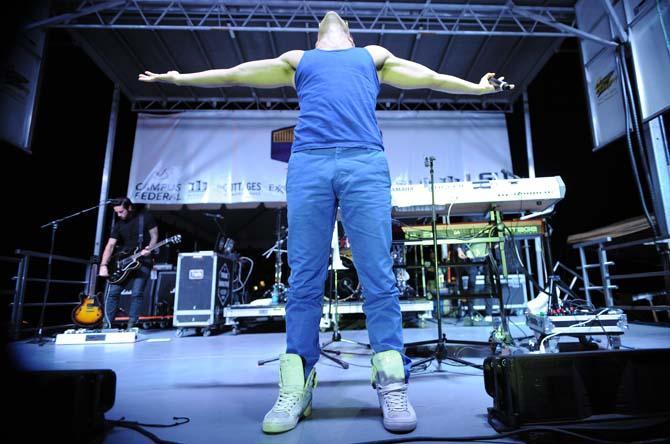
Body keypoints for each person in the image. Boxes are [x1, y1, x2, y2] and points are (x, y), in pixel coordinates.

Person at [138, 11, 512, 434]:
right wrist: (180, 78)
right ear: (320, 33)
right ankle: (297, 382)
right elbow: (235, 73)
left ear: (349, 32)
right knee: (304, 278)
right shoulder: (298, 59)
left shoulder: (373, 56)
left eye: (339, 17)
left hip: (363, 162)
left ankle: (391, 379)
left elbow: (430, 78)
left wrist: (475, 87)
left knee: (378, 275)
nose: (331, 14)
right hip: (309, 163)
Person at [98, 197, 158, 329]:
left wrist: (150, 247)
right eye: (116, 213)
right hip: (123, 261)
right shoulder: (118, 224)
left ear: (129, 208)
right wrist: (103, 265)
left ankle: (132, 324)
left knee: (137, 293)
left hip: (143, 259)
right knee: (113, 292)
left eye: (121, 212)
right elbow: (110, 245)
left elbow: (154, 235)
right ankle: (106, 324)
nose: (119, 215)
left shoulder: (145, 217)